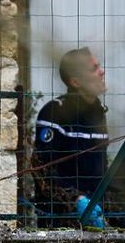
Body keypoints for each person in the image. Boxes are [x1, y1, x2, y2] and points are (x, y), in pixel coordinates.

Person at [34, 48, 110, 226]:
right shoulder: (55, 112)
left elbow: (100, 169)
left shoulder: (98, 112)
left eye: (99, 66)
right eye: (94, 69)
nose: (102, 72)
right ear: (75, 82)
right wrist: (76, 200)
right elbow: (42, 170)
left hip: (96, 214)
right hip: (61, 220)